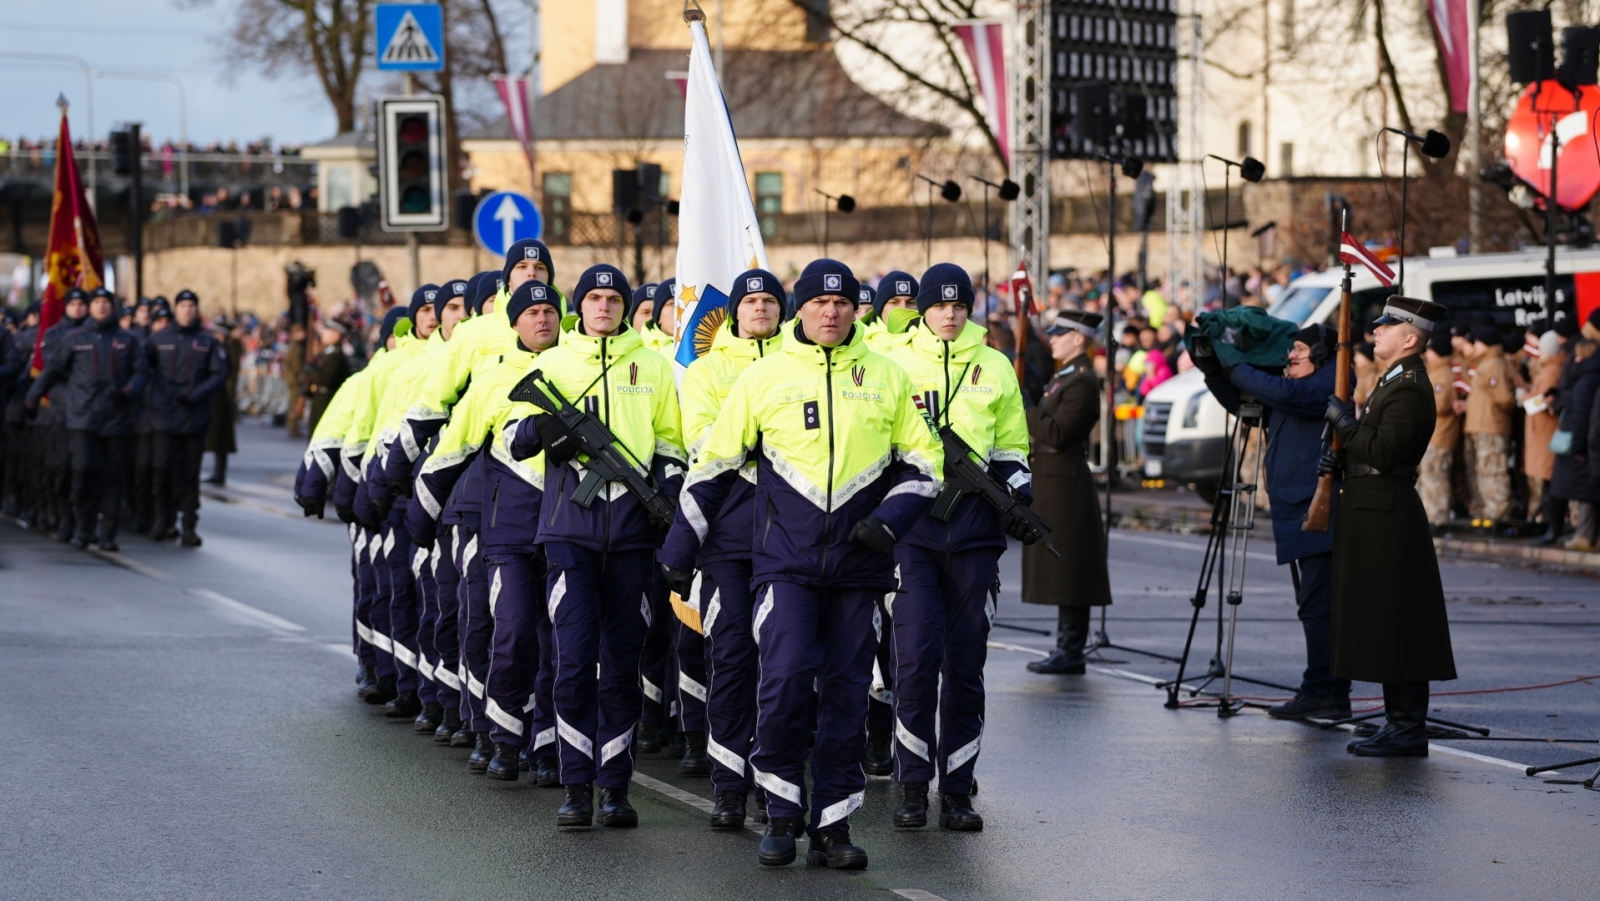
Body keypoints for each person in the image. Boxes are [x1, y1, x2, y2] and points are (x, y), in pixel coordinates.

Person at [667, 259, 942, 869]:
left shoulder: (887, 377)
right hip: (784, 564)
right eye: (819, 302)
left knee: (846, 695)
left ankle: (835, 825)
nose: (831, 312)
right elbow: (711, 464)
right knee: (785, 679)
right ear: (802, 308)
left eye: (842, 303)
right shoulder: (764, 379)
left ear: (853, 311)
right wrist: (677, 553)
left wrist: (889, 521)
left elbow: (926, 464)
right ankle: (783, 812)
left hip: (860, 567)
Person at [507, 263, 685, 830]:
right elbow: (512, 438)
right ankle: (576, 783)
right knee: (575, 660)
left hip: (632, 537)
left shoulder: (654, 367)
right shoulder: (552, 365)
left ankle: (614, 785)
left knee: (621, 666)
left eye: (613, 298)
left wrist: (667, 492)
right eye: (594, 298)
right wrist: (544, 432)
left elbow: (672, 445)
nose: (604, 307)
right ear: (577, 307)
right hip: (568, 532)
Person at [880, 263, 1029, 831]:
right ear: (922, 308)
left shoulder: (994, 365)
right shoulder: (892, 361)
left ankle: (959, 788)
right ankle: (912, 785)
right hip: (913, 532)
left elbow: (1012, 443)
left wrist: (1019, 494)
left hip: (974, 534)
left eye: (959, 305)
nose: (949, 314)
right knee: (915, 662)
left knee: (966, 665)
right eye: (939, 305)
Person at [410, 280, 562, 782]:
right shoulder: (493, 379)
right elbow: (452, 449)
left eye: (549, 311)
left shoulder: (579, 369)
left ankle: (546, 745)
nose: (542, 319)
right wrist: (421, 517)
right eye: (531, 312)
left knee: (559, 643)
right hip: (509, 535)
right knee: (514, 632)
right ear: (514, 322)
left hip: (568, 532)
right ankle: (501, 736)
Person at [657, 268, 786, 828]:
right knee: (731, 658)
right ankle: (729, 783)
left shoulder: (796, 365)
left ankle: (775, 779)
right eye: (750, 301)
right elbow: (704, 442)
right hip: (728, 536)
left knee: (783, 663)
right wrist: (762, 432)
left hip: (789, 535)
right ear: (733, 310)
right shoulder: (705, 369)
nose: (759, 308)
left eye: (768, 300)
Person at [1194, 323, 1350, 719]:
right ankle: (1330, 691)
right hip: (1297, 509)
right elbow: (1247, 407)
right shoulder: (1297, 386)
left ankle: (1321, 691)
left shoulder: (1330, 380)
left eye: (1299, 349)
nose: (1290, 357)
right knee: (1316, 606)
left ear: (1321, 354)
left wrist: (1234, 362)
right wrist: (1214, 369)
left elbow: (1288, 394)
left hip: (1320, 511)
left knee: (1318, 608)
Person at [1323, 296, 1456, 757]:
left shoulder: (1411, 385)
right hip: (1371, 508)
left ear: (1411, 337)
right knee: (1383, 622)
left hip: (1387, 512)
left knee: (1398, 622)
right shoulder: (1394, 379)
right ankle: (1396, 721)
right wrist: (1339, 458)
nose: (1376, 331)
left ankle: (1408, 728)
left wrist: (1346, 424)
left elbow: (1383, 452)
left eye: (1387, 326)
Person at [1023, 310, 1113, 673]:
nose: (1053, 339)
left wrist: (1026, 407)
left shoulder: (1082, 381)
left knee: (1073, 568)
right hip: (1051, 477)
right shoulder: (1065, 376)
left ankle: (1071, 649)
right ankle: (1065, 645)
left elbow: (1058, 433)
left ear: (1079, 338)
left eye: (1061, 334)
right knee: (1064, 566)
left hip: (1065, 480)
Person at [24, 286, 149, 550]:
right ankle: (84, 526)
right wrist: (33, 397)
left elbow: (141, 373)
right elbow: (52, 371)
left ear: (112, 306)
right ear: (90, 307)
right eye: (97, 302)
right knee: (82, 472)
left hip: (116, 418)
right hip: (83, 418)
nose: (101, 307)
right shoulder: (74, 339)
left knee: (113, 477)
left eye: (106, 302)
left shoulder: (127, 340)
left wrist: (128, 392)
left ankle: (108, 534)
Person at [145, 289, 230, 547]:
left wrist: (195, 395)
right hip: (164, 416)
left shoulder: (208, 341)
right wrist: (158, 397)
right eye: (182, 305)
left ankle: (189, 524)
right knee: (162, 469)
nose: (187, 310)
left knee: (189, 473)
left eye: (192, 305)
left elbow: (219, 374)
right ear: (176, 309)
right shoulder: (158, 339)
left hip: (194, 416)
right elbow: (143, 371)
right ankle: (163, 518)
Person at [1459, 325, 1514, 527]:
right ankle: (1490, 512)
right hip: (1482, 426)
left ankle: (1498, 513)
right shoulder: (1486, 363)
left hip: (1491, 426)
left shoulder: (1493, 365)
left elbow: (1504, 398)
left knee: (1493, 471)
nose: (1475, 346)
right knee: (1484, 470)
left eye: (1478, 342)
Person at [1550, 338, 1600, 551]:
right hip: (1588, 444)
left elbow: (1581, 414)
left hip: (1584, 446)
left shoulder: (1585, 380)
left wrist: (1577, 445)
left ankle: (1584, 534)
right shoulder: (1589, 378)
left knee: (1587, 492)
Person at [1527, 330, 1565, 543]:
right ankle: (1550, 527)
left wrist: (1524, 397)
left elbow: (1542, 400)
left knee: (1549, 482)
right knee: (1547, 482)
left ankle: (1553, 528)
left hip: (1545, 432)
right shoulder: (1550, 367)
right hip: (1543, 431)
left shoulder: (1551, 370)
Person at [1419, 329, 1459, 532]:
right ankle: (1429, 514)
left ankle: (1439, 517)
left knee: (1437, 476)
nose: (1427, 354)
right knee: (1428, 476)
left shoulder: (1443, 374)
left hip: (1440, 434)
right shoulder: (1433, 372)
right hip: (1432, 435)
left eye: (1431, 351)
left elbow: (1441, 404)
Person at [204, 317, 241, 486]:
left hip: (223, 397)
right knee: (216, 437)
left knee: (221, 438)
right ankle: (217, 471)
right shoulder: (219, 348)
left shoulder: (228, 349)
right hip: (216, 396)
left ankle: (220, 472)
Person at [304, 319, 351, 434]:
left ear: (336, 335)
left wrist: (310, 368)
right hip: (320, 399)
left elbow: (326, 380)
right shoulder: (328, 353)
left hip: (326, 401)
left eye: (327, 331)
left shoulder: (336, 356)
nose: (323, 334)